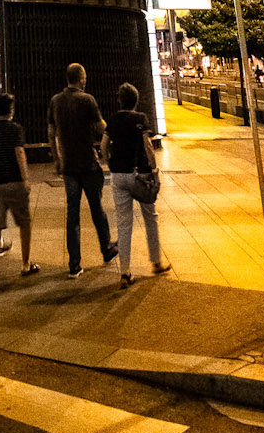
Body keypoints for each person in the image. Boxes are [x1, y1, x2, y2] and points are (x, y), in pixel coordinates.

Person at [47, 62, 118, 277]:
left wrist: (57, 158)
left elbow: (51, 132)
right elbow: (100, 126)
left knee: (72, 215)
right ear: (80, 78)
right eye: (84, 76)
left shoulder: (56, 101)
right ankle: (106, 249)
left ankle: (74, 264)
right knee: (97, 209)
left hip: (68, 166)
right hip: (88, 163)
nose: (86, 80)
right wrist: (113, 130)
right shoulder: (87, 100)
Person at [107, 81, 171, 284]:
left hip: (118, 175)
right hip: (141, 176)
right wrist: (154, 170)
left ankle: (125, 272)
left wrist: (111, 163)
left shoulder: (114, 119)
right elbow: (147, 145)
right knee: (150, 217)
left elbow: (103, 144)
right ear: (136, 101)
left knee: (124, 224)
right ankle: (156, 262)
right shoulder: (141, 118)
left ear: (120, 100)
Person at [0, 92, 39, 289]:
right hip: (14, 183)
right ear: (11, 110)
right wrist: (26, 179)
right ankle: (25, 264)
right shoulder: (16, 129)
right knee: (25, 224)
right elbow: (19, 153)